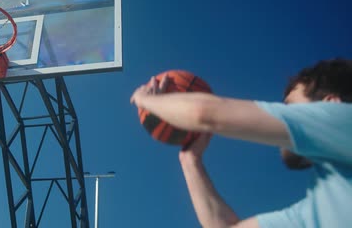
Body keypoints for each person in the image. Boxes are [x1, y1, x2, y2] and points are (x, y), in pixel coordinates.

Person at [130, 58, 352, 227]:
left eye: (290, 105)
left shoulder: (346, 120)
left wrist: (146, 100)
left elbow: (204, 113)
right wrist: (190, 161)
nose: (283, 113)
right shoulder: (314, 210)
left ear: (331, 104)